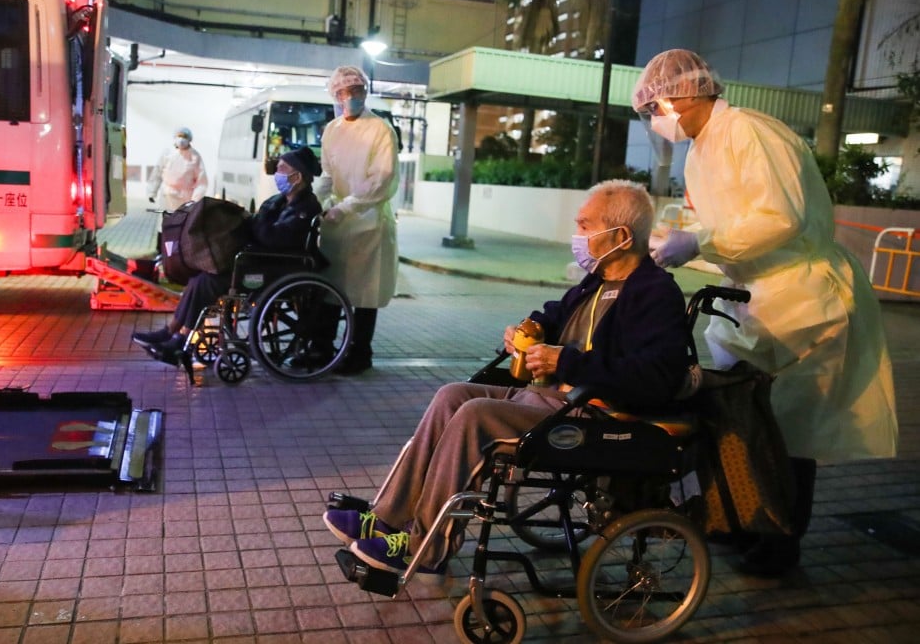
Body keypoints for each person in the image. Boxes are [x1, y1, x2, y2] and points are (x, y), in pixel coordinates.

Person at [322, 181, 691, 576]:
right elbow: (553, 315)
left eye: (585, 225)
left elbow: (655, 377)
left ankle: (425, 548)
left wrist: (565, 361)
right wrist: (529, 328)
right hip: (552, 401)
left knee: (475, 415)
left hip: (596, 416)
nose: (577, 234)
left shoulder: (655, 293)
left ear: (620, 237)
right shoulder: (596, 281)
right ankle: (388, 518)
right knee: (452, 395)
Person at [631, 48, 898, 577]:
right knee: (743, 418)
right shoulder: (702, 149)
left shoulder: (749, 131)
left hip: (803, 298)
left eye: (655, 107)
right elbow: (730, 227)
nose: (655, 119)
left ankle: (781, 541)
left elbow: (780, 218)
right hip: (757, 296)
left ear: (685, 94)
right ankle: (743, 519)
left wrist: (700, 241)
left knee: (787, 430)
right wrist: (683, 242)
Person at [133, 147, 323, 356]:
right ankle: (170, 331)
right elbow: (256, 227)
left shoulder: (306, 207)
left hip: (275, 269)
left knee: (207, 281)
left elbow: (273, 238)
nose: (277, 173)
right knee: (200, 276)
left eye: (282, 169)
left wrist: (255, 224)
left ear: (297, 176)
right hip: (257, 261)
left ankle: (181, 338)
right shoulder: (277, 201)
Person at [315, 65, 400, 375]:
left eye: (355, 91)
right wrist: (316, 202)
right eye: (342, 92)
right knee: (330, 289)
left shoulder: (380, 130)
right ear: (335, 95)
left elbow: (381, 179)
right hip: (337, 225)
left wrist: (347, 207)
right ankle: (322, 349)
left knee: (364, 294)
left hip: (369, 221)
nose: (349, 97)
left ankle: (360, 353)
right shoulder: (332, 130)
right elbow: (327, 174)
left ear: (365, 92)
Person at [147, 126, 209, 212]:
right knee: (167, 219)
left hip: (185, 200)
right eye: (179, 136)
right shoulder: (168, 154)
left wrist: (195, 200)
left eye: (184, 137)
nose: (181, 139)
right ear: (175, 137)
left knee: (182, 219)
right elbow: (157, 174)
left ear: (189, 139)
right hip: (167, 196)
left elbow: (202, 182)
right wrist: (152, 192)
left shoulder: (195, 157)